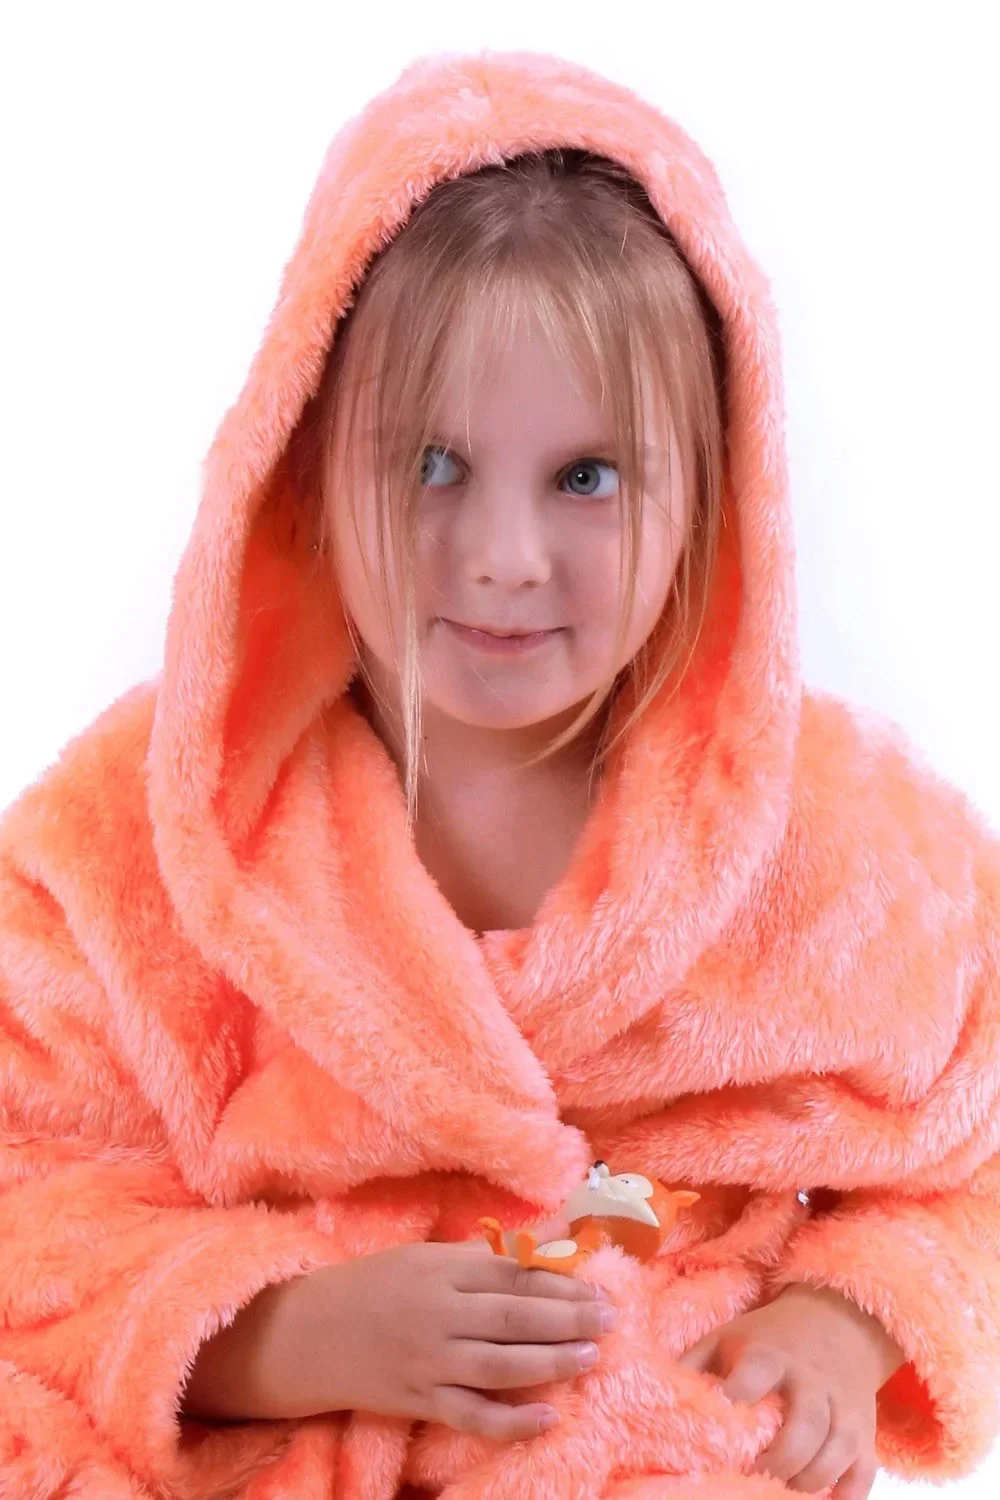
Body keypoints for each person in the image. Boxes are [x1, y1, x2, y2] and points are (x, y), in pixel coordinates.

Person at [1, 47, 998, 1500]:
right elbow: (25, 1194)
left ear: (710, 494)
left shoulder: (847, 849)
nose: (503, 557)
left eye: (587, 477)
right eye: (431, 466)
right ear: (304, 464)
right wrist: (281, 1336)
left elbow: (975, 1156)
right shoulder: (146, 845)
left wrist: (848, 1321)